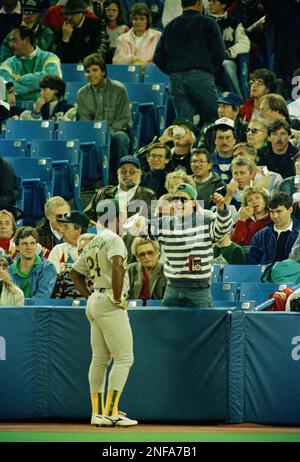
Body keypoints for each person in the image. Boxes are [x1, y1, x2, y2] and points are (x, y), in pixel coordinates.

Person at [70, 198, 137, 427]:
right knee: (124, 358)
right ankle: (111, 411)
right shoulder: (115, 239)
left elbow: (74, 273)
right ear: (116, 217)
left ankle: (97, 413)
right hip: (109, 299)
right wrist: (117, 297)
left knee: (99, 359)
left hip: (95, 299)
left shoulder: (92, 241)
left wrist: (90, 297)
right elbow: (117, 265)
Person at [139, 182, 233, 307]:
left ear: (194, 202)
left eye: (183, 199)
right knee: (167, 326)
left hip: (199, 291)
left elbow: (223, 228)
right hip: (172, 288)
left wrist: (222, 208)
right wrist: (137, 220)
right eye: (175, 199)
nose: (178, 203)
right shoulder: (164, 223)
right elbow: (140, 229)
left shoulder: (205, 219)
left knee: (202, 326)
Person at [153, 0, 225, 127]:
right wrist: (209, 70)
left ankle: (189, 146)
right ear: (199, 2)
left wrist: (173, 71)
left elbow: (158, 57)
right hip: (201, 76)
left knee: (184, 124)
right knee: (212, 119)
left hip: (176, 80)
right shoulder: (208, 23)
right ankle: (205, 146)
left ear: (182, 4)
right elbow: (219, 53)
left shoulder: (171, 25)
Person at [77, 52, 131, 179]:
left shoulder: (119, 89)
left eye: (94, 70)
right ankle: (90, 179)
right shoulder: (82, 94)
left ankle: (119, 177)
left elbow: (124, 119)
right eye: (88, 71)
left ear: (103, 72)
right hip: (93, 135)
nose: (91, 74)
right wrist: (98, 135)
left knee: (120, 138)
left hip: (116, 131)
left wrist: (107, 135)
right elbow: (86, 123)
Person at [85, 155, 156, 222]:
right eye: (123, 171)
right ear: (118, 173)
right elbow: (87, 217)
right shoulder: (103, 192)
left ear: (139, 174)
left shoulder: (148, 195)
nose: (127, 174)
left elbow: (151, 220)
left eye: (132, 172)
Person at [0, 26, 62, 101]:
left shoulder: (50, 58)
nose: (10, 45)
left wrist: (18, 79)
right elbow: (3, 83)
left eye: (14, 41)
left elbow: (50, 82)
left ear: (26, 40)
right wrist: (29, 90)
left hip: (46, 109)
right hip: (15, 110)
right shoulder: (8, 63)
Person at [207, 0, 250, 96]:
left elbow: (245, 44)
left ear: (223, 4)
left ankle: (238, 98)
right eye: (209, 1)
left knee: (227, 65)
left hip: (225, 60)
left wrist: (229, 52)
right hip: (205, 61)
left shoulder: (234, 23)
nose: (210, 4)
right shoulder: (202, 21)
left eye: (214, 2)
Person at [49, 210, 90, 299]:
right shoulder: (58, 250)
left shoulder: (94, 250)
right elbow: (52, 281)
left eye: (66, 227)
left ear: (78, 230)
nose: (61, 230)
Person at [8, 226, 57, 300]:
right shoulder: (9, 271)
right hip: (15, 311)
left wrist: (20, 304)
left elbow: (42, 297)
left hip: (38, 311)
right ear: (17, 247)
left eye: (32, 243)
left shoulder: (47, 267)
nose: (29, 247)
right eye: (25, 244)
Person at [249, 192, 299, 265]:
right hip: (265, 274)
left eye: (279, 211)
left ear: (290, 210)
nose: (275, 216)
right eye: (272, 212)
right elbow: (253, 264)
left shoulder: (298, 234)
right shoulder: (260, 236)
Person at [113, 2, 161, 67]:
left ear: (148, 20)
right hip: (128, 74)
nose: (138, 22)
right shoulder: (122, 39)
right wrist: (132, 59)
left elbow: (163, 59)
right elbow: (116, 61)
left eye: (142, 19)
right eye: (135, 19)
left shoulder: (158, 36)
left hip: (152, 74)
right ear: (131, 20)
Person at [128, 237, 166, 303]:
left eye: (150, 252)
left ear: (157, 253)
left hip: (158, 309)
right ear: (137, 257)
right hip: (135, 309)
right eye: (142, 254)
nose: (147, 257)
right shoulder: (130, 270)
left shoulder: (166, 271)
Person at [211, 117, 237, 184]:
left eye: (228, 137)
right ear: (215, 140)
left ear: (234, 140)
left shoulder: (242, 161)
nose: (224, 142)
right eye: (220, 138)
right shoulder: (207, 161)